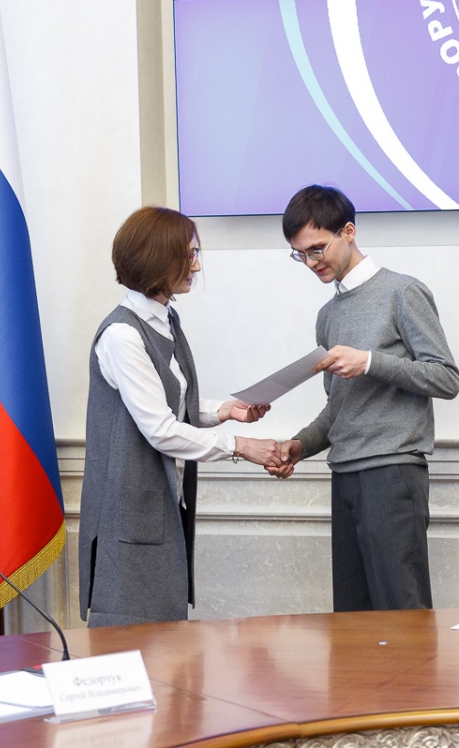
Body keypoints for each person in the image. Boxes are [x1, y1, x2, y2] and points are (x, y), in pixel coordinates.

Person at [78, 206, 282, 626]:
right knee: (132, 639)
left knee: (166, 643)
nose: (197, 266)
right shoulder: (122, 335)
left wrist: (224, 410)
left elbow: (168, 400)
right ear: (156, 257)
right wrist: (241, 446)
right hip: (128, 515)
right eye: (189, 255)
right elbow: (160, 429)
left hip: (159, 507)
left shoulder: (166, 318)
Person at [266, 185, 459, 611]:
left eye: (317, 249)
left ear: (349, 232)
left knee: (401, 614)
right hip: (345, 474)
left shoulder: (402, 292)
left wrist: (370, 362)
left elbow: (446, 378)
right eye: (300, 255)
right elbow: (339, 407)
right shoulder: (328, 316)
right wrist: (300, 445)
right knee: (352, 620)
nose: (311, 263)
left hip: (392, 471)